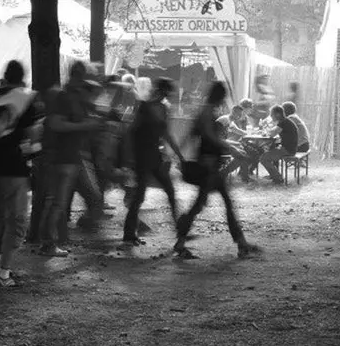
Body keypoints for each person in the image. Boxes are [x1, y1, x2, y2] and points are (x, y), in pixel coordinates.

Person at [174, 81, 259, 259]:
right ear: (219, 96)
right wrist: (233, 149)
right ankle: (241, 244)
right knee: (213, 204)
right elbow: (211, 137)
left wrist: (179, 156)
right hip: (209, 166)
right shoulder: (207, 112)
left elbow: (190, 136)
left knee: (203, 205)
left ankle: (181, 242)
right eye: (223, 96)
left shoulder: (205, 111)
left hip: (209, 164)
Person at [0, 60, 43, 288]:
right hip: (14, 170)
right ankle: (4, 274)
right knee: (15, 223)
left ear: (5, 77)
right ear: (22, 77)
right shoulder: (28, 99)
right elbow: (34, 135)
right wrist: (34, 153)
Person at [38, 60, 105, 257]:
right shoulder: (63, 97)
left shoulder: (73, 96)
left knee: (61, 201)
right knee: (57, 202)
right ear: (80, 76)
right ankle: (48, 243)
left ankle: (51, 240)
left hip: (71, 157)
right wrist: (85, 125)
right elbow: (56, 124)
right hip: (63, 157)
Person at [123, 77, 183, 246]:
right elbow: (131, 132)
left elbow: (166, 134)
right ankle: (129, 233)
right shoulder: (144, 107)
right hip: (142, 156)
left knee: (168, 191)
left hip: (153, 156)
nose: (168, 96)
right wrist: (129, 159)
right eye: (167, 92)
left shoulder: (162, 108)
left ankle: (179, 230)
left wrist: (178, 154)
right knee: (140, 195)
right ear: (162, 91)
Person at [258, 104, 299, 185]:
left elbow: (272, 134)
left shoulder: (283, 122)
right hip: (290, 148)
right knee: (270, 151)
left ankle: (278, 178)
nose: (270, 116)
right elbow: (274, 131)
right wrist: (268, 128)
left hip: (287, 150)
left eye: (271, 114)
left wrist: (265, 127)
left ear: (278, 114)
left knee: (263, 158)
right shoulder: (285, 121)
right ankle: (274, 175)